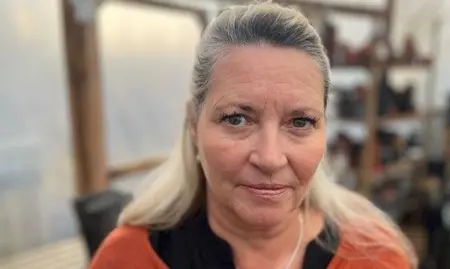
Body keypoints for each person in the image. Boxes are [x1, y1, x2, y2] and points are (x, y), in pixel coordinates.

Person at [90, 1, 417, 268]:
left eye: (300, 122)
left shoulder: (375, 258)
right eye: (236, 119)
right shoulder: (127, 259)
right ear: (193, 125)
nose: (270, 158)